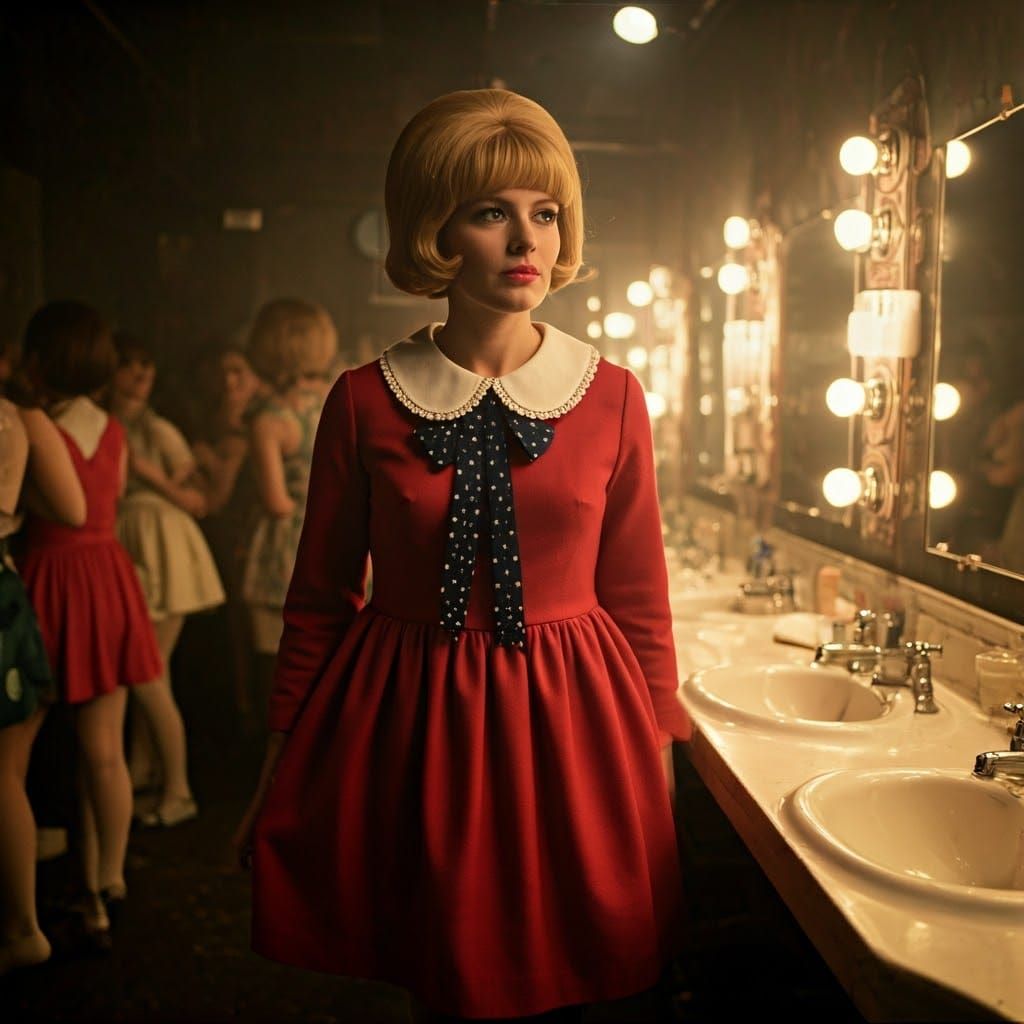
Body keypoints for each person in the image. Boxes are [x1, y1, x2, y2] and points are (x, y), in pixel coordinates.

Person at [234, 89, 690, 1023]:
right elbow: (318, 598)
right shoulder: (363, 400)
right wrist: (277, 762)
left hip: (575, 717)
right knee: (441, 970)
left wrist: (658, 765)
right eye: (492, 212)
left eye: (546, 213)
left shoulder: (611, 398)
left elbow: (641, 597)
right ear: (437, 231)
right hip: (410, 713)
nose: (528, 240)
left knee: (577, 975)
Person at [14, 301, 163, 951]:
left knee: (19, 752)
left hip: (48, 576)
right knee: (106, 747)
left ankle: (39, 890)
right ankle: (106, 881)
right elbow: (115, 497)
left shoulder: (31, 425)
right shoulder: (113, 427)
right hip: (109, 576)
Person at [106, 332, 225, 827]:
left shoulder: (156, 429)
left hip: (162, 544)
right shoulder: (110, 424)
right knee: (146, 671)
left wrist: (146, 472)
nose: (140, 375)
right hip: (130, 543)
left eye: (146, 366)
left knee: (149, 673)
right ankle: (140, 770)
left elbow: (197, 498)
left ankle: (177, 787)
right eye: (129, 365)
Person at [0, 391, 86, 975]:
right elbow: (73, 505)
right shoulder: (14, 415)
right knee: (8, 773)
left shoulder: (19, 415)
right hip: (5, 578)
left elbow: (74, 510)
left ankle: (22, 926)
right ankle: (21, 922)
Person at [238, 299, 337, 719]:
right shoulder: (340, 396)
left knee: (277, 664)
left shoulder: (269, 420)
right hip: (338, 537)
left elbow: (277, 503)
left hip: (286, 550)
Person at [192, 343, 267, 725]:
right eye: (222, 371)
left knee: (242, 623)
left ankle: (245, 708)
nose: (229, 379)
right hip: (213, 533)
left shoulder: (257, 423)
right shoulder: (208, 420)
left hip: (242, 534)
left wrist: (203, 459)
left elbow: (219, 496)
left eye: (238, 370)